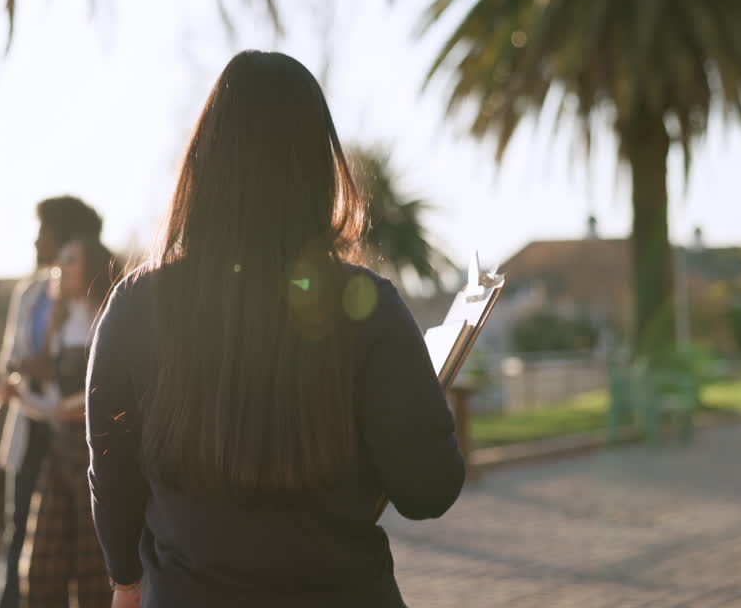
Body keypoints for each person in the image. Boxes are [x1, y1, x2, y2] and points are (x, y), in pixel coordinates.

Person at [86, 51, 467, 608]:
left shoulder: (136, 305)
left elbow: (110, 474)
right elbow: (429, 489)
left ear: (203, 164)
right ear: (319, 165)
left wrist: (125, 579)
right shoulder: (369, 308)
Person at [0, 197, 104, 608]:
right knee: (21, 529)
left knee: (82, 545)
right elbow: (10, 354)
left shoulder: (99, 305)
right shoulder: (31, 293)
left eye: (43, 231)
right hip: (34, 425)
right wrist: (19, 373)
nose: (36, 239)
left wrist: (51, 373)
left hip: (76, 436)